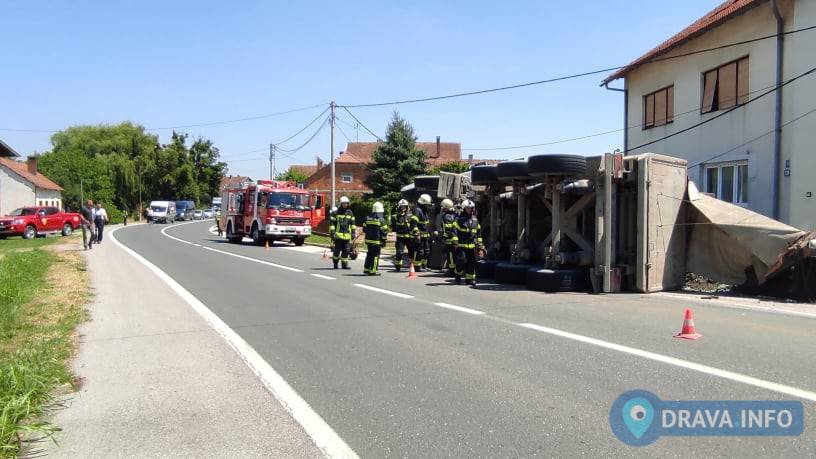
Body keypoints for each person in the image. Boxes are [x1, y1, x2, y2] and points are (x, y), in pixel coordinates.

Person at [453, 199, 482, 286]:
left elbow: (478, 233)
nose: (469, 209)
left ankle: (469, 279)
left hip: (472, 246)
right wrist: (455, 240)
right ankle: (458, 275)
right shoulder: (458, 219)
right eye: (467, 208)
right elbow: (454, 230)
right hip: (461, 245)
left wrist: (480, 244)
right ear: (463, 209)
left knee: (471, 262)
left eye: (470, 208)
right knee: (461, 260)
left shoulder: (475, 220)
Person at [329, 196, 355, 269]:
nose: (345, 205)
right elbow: (332, 224)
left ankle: (344, 265)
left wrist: (353, 233)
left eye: (346, 203)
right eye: (344, 203)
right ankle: (335, 264)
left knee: (346, 250)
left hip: (347, 236)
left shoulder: (350, 213)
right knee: (337, 251)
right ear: (341, 203)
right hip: (338, 236)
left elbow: (353, 224)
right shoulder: (335, 213)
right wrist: (333, 233)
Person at [363, 201, 388, 276]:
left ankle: (366, 269)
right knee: (376, 256)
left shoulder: (367, 218)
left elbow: (364, 229)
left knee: (369, 254)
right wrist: (383, 241)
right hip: (377, 241)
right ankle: (373, 270)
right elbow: (384, 231)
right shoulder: (381, 219)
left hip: (368, 240)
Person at [409, 194, 432, 272]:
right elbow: (413, 222)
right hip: (419, 235)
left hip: (425, 235)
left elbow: (425, 224)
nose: (428, 206)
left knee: (427, 251)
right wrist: (416, 233)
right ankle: (417, 267)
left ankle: (424, 265)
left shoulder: (424, 211)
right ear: (423, 203)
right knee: (420, 251)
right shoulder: (417, 210)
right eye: (427, 205)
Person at [391, 199, 412, 272]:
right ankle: (397, 265)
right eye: (401, 206)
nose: (403, 207)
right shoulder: (396, 216)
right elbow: (393, 227)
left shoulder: (410, 215)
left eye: (404, 206)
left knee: (411, 252)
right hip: (400, 237)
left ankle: (412, 265)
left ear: (407, 206)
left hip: (409, 237)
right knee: (399, 252)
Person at [439, 198, 458, 275]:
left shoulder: (446, 216)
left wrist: (443, 237)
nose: (442, 208)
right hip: (455, 239)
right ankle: (454, 269)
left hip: (450, 239)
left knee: (451, 255)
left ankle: (452, 270)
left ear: (446, 207)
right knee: (453, 255)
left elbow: (447, 229)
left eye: (443, 207)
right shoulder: (455, 214)